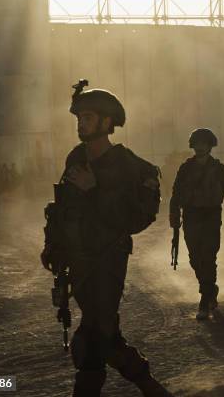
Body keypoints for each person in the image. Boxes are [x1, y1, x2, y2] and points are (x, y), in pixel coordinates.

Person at [40, 80, 169, 396]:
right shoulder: (76, 158)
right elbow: (62, 209)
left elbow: (137, 220)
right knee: (105, 336)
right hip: (77, 260)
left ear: (107, 122)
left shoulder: (132, 167)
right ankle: (150, 387)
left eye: (88, 117)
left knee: (92, 340)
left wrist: (94, 191)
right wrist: (52, 245)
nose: (81, 124)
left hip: (107, 261)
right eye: (79, 118)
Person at [169, 128, 224, 320]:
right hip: (190, 216)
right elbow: (176, 193)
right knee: (194, 258)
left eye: (204, 144)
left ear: (209, 146)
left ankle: (204, 300)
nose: (200, 147)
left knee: (208, 257)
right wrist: (174, 215)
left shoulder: (219, 169)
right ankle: (210, 289)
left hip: (212, 216)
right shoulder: (185, 168)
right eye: (197, 144)